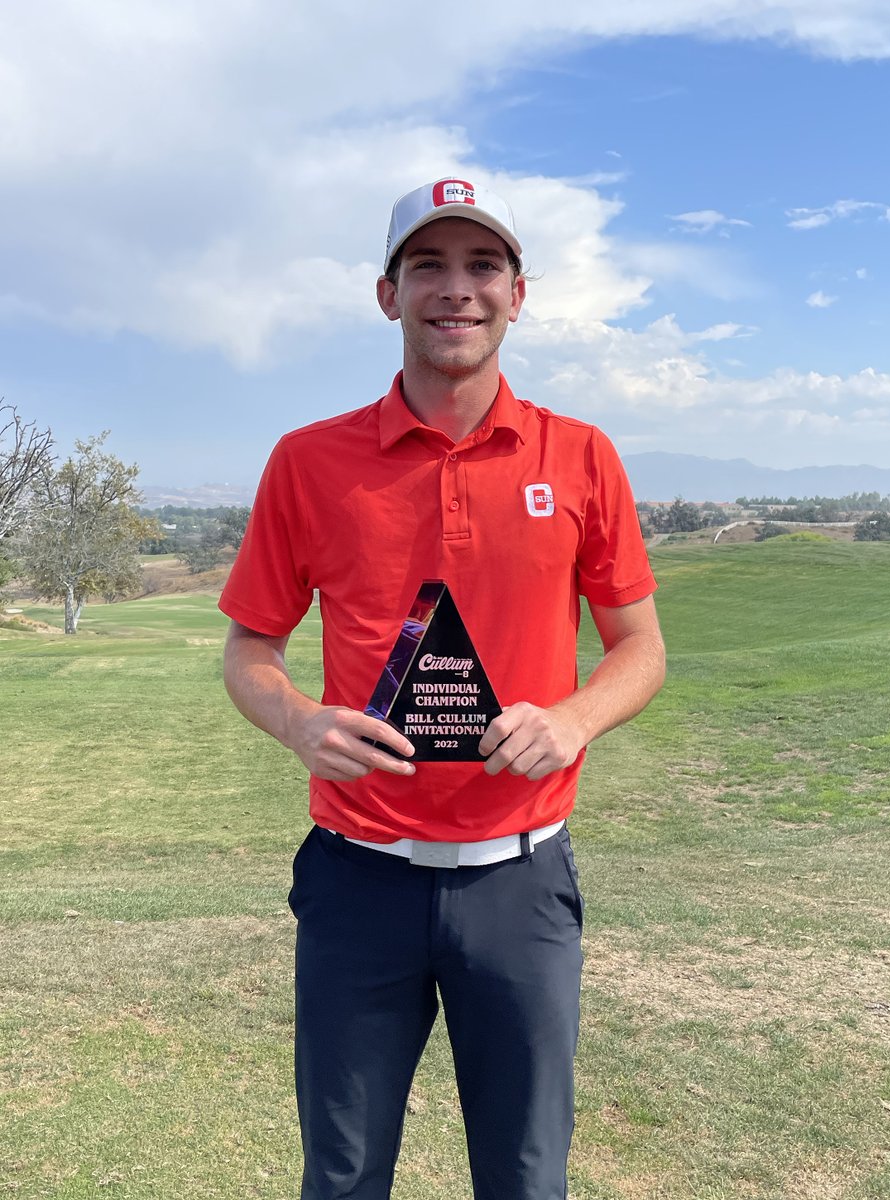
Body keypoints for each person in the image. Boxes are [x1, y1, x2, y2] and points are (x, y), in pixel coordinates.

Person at [219, 177, 666, 1200]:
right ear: (388, 294)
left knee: (524, 1177)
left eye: (481, 266)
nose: (455, 290)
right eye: (429, 266)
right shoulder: (307, 461)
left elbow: (640, 648)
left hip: (521, 881)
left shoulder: (583, 456)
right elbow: (249, 646)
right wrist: (296, 721)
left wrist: (575, 717)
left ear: (518, 292)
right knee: (342, 1177)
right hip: (358, 877)